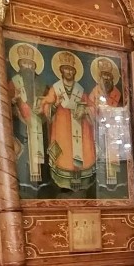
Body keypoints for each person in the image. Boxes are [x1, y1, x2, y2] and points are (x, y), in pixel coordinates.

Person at [39, 51, 95, 191]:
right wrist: (55, 105)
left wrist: (86, 110)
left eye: (71, 69)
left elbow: (93, 108)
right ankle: (63, 183)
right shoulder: (55, 89)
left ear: (75, 72)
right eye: (66, 69)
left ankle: (82, 181)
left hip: (81, 131)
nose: (69, 72)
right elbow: (45, 106)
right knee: (64, 156)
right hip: (62, 131)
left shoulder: (81, 91)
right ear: (61, 71)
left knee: (84, 154)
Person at [8, 42, 48, 192]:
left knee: (40, 155)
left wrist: (44, 108)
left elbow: (49, 103)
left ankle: (42, 186)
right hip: (20, 126)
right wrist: (13, 102)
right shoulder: (14, 82)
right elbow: (4, 102)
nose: (27, 67)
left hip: (39, 124)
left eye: (30, 64)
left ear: (35, 66)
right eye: (24, 63)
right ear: (19, 65)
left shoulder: (42, 83)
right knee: (23, 154)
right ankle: (23, 185)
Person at [87, 57, 124, 191]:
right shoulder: (95, 92)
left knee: (113, 154)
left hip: (114, 130)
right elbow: (90, 108)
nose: (106, 79)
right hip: (99, 128)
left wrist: (114, 112)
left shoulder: (118, 93)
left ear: (113, 78)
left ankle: (116, 182)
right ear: (99, 77)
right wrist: (97, 113)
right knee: (101, 153)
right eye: (104, 76)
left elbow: (123, 110)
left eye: (109, 76)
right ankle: (101, 183)